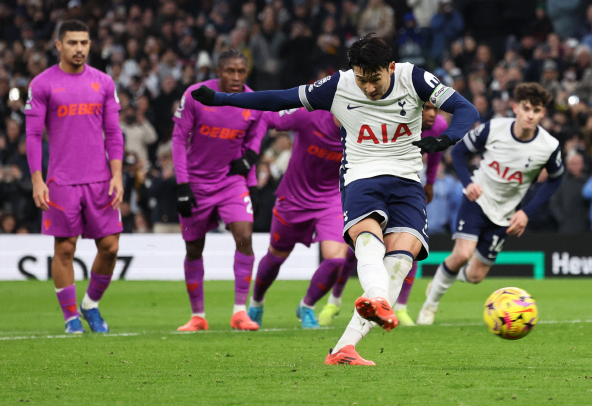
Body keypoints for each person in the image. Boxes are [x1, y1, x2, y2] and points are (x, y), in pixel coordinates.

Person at [190, 34, 479, 365]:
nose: (368, 87)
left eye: (375, 79)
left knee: (399, 262)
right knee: (369, 241)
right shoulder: (338, 85)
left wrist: (446, 138)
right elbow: (280, 98)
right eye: (361, 79)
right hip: (361, 176)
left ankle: (345, 346)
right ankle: (378, 300)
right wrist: (221, 98)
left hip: (407, 182)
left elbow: (464, 109)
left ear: (391, 67)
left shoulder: (412, 77)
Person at [417, 83, 563, 325]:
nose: (530, 115)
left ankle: (445, 278)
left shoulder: (548, 146)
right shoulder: (494, 128)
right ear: (515, 108)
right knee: (462, 254)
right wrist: (467, 183)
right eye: (526, 108)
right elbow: (459, 152)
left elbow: (555, 180)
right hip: (478, 199)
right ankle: (429, 306)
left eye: (536, 110)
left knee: (475, 276)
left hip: (505, 213)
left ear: (542, 114)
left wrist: (526, 212)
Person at [25, 20, 124, 334]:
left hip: (100, 179)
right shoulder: (42, 84)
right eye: (72, 43)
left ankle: (90, 305)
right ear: (59, 45)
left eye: (84, 42)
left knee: (110, 247)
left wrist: (118, 174)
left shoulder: (104, 83)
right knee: (65, 249)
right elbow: (32, 135)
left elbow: (113, 132)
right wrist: (37, 180)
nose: (79, 49)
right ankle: (71, 319)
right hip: (62, 180)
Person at [317, 100, 450, 328]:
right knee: (358, 247)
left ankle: (400, 307)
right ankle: (335, 300)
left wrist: (429, 183)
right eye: (426, 108)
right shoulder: (391, 114)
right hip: (369, 182)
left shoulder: (437, 126)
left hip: (406, 185)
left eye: (435, 109)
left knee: (411, 244)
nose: (431, 114)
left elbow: (434, 153)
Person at [171, 50, 265, 332]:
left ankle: (239, 312)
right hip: (196, 183)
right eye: (230, 71)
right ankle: (198, 316)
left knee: (245, 235)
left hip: (230, 182)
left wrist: (251, 169)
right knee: (194, 247)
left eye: (241, 72)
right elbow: (177, 139)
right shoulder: (195, 95)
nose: (236, 77)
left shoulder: (253, 102)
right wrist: (182, 184)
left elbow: (256, 137)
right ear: (218, 71)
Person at [246, 107, 349, 330]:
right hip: (293, 199)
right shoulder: (309, 114)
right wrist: (252, 152)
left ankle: (307, 306)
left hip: (332, 199)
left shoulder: (365, 126)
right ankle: (256, 303)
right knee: (276, 257)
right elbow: (267, 117)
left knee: (336, 259)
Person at [549, 152, 589, 234]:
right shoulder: (560, 182)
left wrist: (587, 218)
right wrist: (562, 219)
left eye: (577, 163)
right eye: (572, 164)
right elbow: (554, 203)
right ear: (567, 165)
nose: (575, 166)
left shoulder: (588, 181)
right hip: (566, 226)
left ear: (582, 164)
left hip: (585, 226)